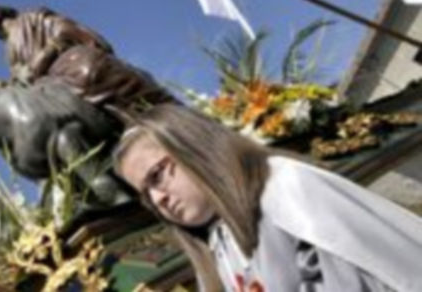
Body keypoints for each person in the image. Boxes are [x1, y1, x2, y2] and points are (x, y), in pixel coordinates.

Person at [113, 103, 422, 292]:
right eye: (146, 195)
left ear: (194, 149)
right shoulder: (220, 244)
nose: (158, 199)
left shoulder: (285, 188)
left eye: (157, 175)